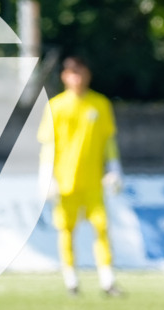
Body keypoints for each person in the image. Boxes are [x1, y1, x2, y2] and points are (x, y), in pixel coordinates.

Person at [38, 55, 123, 296]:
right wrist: (47, 177)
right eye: (72, 74)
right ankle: (71, 280)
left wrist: (115, 169)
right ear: (65, 77)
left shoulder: (100, 104)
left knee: (102, 228)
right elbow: (48, 144)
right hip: (65, 182)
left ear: (88, 75)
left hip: (93, 181)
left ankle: (107, 280)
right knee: (66, 230)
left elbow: (109, 141)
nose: (77, 78)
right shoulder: (55, 106)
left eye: (81, 73)